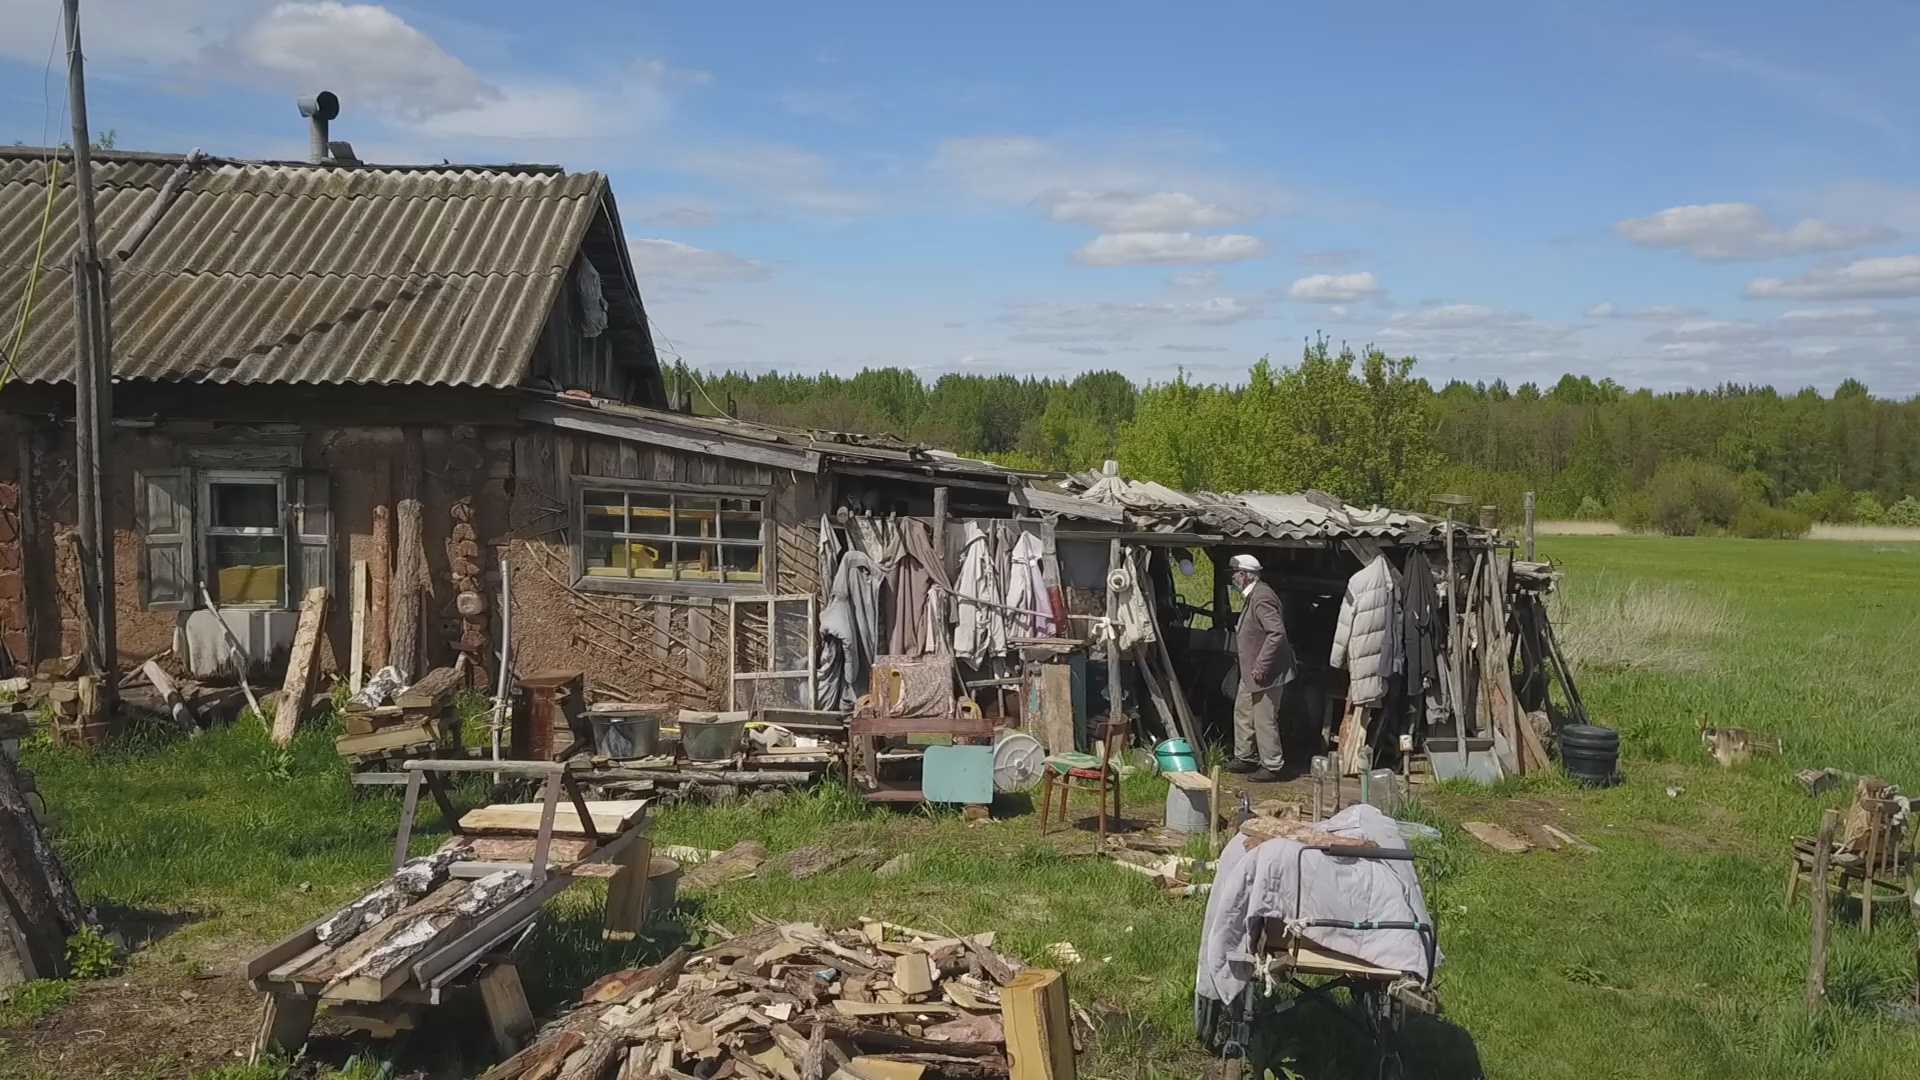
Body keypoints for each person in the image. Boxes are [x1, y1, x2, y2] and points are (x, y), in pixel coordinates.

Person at [1227, 553, 1293, 781]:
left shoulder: (1262, 597)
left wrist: (1262, 665)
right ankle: (1245, 757)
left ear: (1245, 575)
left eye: (1235, 573)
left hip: (1266, 671)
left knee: (1264, 718)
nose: (1232, 577)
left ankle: (1272, 765)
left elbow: (1277, 633)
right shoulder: (1253, 595)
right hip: (1251, 670)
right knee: (1243, 711)